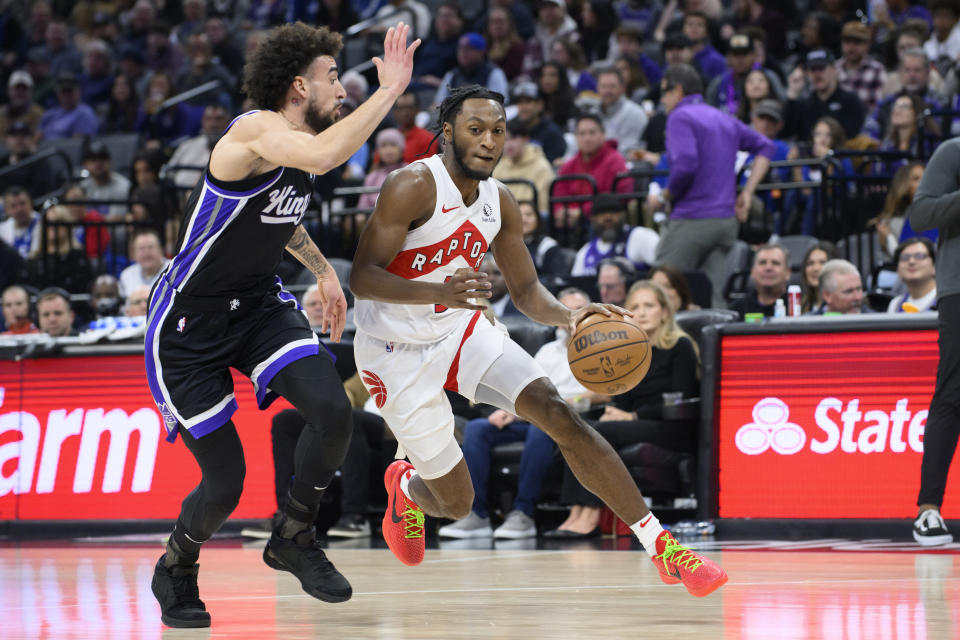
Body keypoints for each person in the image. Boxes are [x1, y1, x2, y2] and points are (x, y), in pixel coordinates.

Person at [349, 83, 726, 597]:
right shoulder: (412, 185)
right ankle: (408, 488)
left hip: (458, 328)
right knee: (457, 503)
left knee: (557, 411)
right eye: (475, 129)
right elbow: (363, 278)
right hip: (394, 350)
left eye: (498, 131)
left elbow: (526, 291)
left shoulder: (499, 200)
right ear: (447, 134)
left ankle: (661, 546)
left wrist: (572, 317)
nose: (489, 141)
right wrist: (441, 289)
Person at [144, 22, 420, 628]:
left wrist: (322, 271)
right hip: (189, 325)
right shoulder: (254, 132)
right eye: (332, 78)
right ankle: (177, 565)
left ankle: (293, 534)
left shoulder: (296, 145)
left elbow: (279, 218)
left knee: (332, 410)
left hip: (259, 306)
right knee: (225, 484)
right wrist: (389, 91)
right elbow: (326, 154)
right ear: (299, 85)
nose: (343, 90)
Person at [547, 280, 700, 537]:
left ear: (664, 311)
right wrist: (615, 410)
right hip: (636, 424)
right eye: (635, 307)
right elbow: (624, 398)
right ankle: (576, 513)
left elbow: (678, 399)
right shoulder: (626, 349)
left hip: (671, 426)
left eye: (649, 305)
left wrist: (633, 416)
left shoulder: (680, 346)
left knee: (595, 433)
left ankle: (590, 514)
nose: (641, 312)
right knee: (580, 430)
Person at [438, 287, 591, 539]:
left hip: (572, 418)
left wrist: (545, 409)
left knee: (541, 427)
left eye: (576, 309)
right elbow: (531, 392)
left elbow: (601, 395)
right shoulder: (547, 351)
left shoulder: (598, 348)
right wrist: (512, 410)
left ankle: (524, 513)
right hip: (537, 415)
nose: (570, 316)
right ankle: (476, 516)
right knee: (478, 428)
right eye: (565, 310)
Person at [648, 64, 774, 308]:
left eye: (664, 92)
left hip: (693, 220)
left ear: (678, 90)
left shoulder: (679, 117)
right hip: (726, 222)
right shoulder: (722, 117)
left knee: (658, 289)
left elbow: (685, 164)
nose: (662, 100)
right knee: (711, 296)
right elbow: (765, 147)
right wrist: (747, 192)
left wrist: (665, 195)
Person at [908, 136, 960, 545]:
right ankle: (929, 511)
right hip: (959, 291)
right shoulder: (953, 151)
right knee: (952, 393)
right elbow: (922, 213)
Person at [783, 49, 866, 141]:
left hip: (840, 153)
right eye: (812, 69)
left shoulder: (850, 101)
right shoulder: (803, 104)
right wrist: (792, 93)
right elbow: (786, 133)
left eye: (821, 68)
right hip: (809, 154)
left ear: (834, 70)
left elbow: (853, 137)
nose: (817, 74)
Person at [570, 194, 659, 276]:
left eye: (613, 211)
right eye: (601, 213)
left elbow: (665, 266)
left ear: (623, 214)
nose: (608, 217)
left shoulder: (640, 237)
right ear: (592, 219)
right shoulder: (585, 252)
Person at [492, 118, 555, 214]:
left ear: (526, 139)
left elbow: (543, 210)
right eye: (505, 139)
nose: (508, 144)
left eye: (513, 138)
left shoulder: (542, 167)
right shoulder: (498, 167)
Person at [836, 20, 887, 112]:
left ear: (867, 44)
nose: (851, 47)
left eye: (857, 42)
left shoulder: (877, 70)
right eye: (847, 42)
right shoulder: (833, 70)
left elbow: (879, 108)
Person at [729, 243, 791, 319]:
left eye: (775, 263)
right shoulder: (736, 310)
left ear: (788, 272)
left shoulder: (800, 306)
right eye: (762, 262)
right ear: (752, 271)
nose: (768, 268)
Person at [888, 237, 937, 312]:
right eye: (904, 258)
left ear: (935, 266)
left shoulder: (947, 301)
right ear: (898, 270)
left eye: (919, 256)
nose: (911, 261)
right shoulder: (895, 305)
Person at [119, 228, 169, 297]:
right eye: (141, 248)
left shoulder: (172, 271)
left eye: (151, 247)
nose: (146, 253)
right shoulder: (127, 275)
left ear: (161, 250)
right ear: (133, 253)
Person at [0, 186, 41, 259]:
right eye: (13, 206)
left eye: (22, 203)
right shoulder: (2, 229)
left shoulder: (42, 223)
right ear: (6, 210)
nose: (19, 209)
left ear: (31, 203)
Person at [800, 241, 840, 313]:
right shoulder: (799, 304)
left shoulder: (844, 303)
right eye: (810, 263)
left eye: (822, 262)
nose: (815, 268)